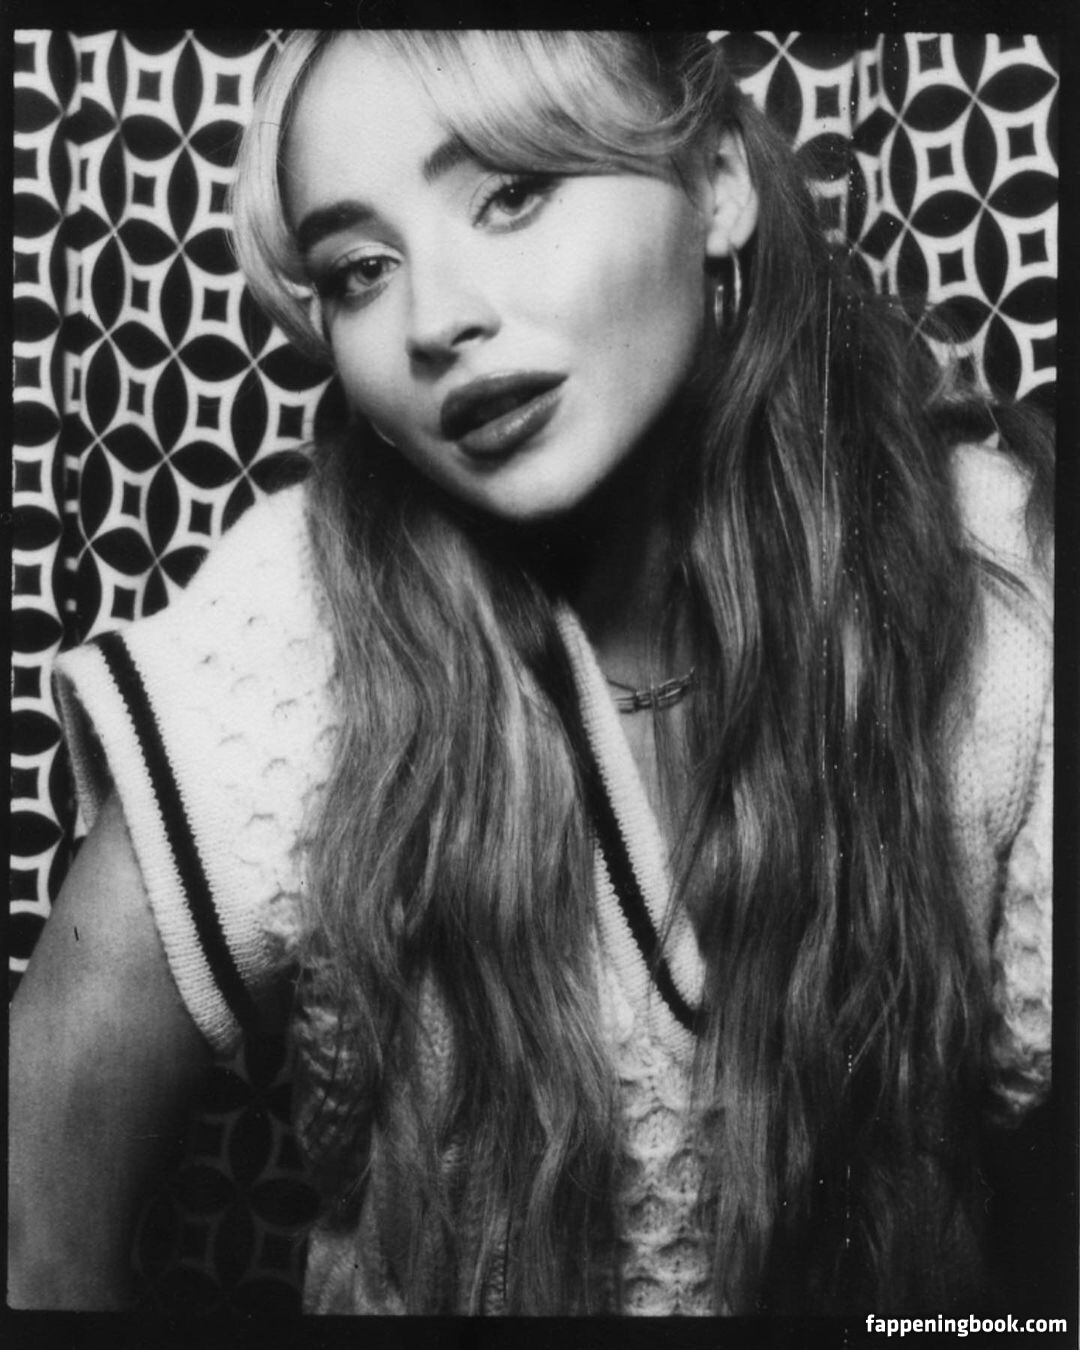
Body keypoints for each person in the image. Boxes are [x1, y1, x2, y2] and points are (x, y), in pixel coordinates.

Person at [9, 31, 1053, 1316]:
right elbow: (34, 1234)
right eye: (362, 268)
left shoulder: (989, 567)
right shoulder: (301, 618)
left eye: (510, 194)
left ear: (718, 185)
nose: (435, 319)